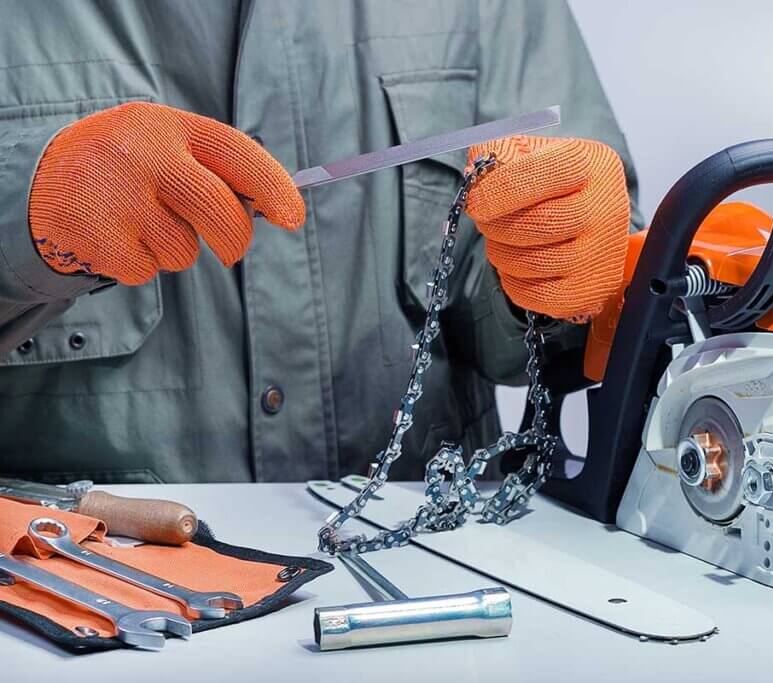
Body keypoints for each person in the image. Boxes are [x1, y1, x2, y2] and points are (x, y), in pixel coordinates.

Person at [0, 1, 640, 484]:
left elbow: (556, 318)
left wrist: (564, 271)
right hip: (74, 605)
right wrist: (26, 222)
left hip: (434, 594)